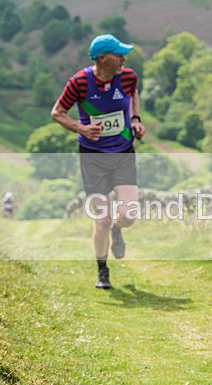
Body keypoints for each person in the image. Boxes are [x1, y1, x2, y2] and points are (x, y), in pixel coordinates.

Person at [50, 33, 146, 290]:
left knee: (128, 215)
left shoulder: (127, 76)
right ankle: (102, 271)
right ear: (103, 59)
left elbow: (133, 93)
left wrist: (135, 119)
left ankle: (118, 229)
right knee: (100, 219)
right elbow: (57, 113)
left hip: (123, 152)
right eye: (119, 55)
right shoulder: (79, 82)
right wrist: (80, 129)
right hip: (93, 158)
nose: (124, 59)